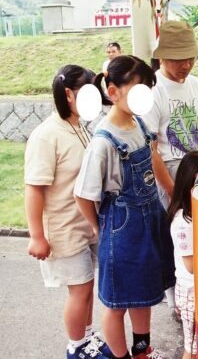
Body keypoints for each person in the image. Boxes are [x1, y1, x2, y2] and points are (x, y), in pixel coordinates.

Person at [75, 55, 175, 359]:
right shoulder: (103, 141)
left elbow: (153, 153)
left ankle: (143, 351)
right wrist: (99, 227)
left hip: (150, 218)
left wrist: (171, 191)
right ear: (113, 90)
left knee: (142, 295)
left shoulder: (138, 122)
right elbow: (83, 195)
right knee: (118, 302)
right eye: (137, 88)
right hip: (122, 225)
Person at [24, 65, 112, 359]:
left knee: (87, 287)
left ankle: (86, 339)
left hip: (86, 223)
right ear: (68, 95)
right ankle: (76, 346)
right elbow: (34, 188)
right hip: (63, 228)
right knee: (81, 289)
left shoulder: (78, 127)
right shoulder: (46, 135)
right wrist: (37, 236)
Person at [143, 21, 198, 207]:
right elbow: (151, 150)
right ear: (162, 57)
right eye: (179, 59)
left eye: (191, 58)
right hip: (170, 172)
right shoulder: (154, 89)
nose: (187, 65)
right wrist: (171, 190)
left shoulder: (195, 84)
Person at [167, 151, 198, 359]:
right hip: (190, 292)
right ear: (192, 188)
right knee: (193, 347)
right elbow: (191, 265)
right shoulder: (183, 222)